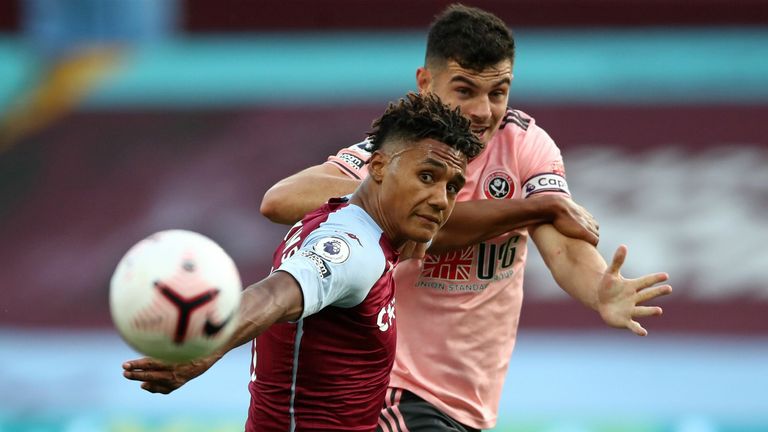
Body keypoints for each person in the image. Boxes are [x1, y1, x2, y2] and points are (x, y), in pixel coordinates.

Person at [259, 4, 672, 432]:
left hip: (469, 407)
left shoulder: (527, 147)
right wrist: (384, 197)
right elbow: (279, 200)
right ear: (425, 83)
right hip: (394, 391)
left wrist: (597, 290)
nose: (482, 111)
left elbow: (563, 245)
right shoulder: (396, 153)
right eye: (464, 90)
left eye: (498, 92)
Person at [122, 92, 484, 431]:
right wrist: (205, 349)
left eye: (452, 187)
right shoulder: (350, 247)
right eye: (426, 177)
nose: (440, 199)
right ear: (377, 166)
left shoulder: (352, 218)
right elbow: (274, 295)